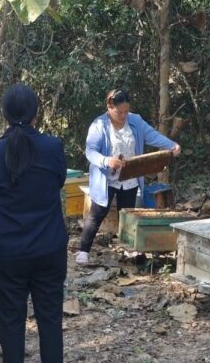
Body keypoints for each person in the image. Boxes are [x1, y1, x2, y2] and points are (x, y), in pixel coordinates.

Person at [0, 84, 67, 363]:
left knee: (11, 318)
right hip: (48, 245)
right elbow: (58, 182)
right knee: (50, 315)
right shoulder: (53, 147)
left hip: (7, 248)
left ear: (4, 114)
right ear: (35, 113)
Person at [77, 89, 181, 264]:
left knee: (127, 215)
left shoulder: (135, 121)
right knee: (97, 213)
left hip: (129, 177)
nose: (124, 115)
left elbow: (152, 136)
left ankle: (127, 251)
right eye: (120, 112)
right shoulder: (99, 125)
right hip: (106, 179)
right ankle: (83, 251)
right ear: (109, 107)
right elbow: (90, 151)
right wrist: (107, 160)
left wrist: (171, 145)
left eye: (126, 111)